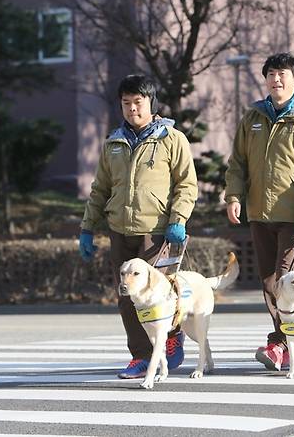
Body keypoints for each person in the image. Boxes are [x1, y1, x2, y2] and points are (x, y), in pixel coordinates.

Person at [78, 74, 198, 378]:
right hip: (119, 229)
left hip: (156, 230)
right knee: (128, 296)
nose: (132, 108)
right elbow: (100, 189)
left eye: (138, 102)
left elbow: (187, 185)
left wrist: (178, 219)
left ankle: (171, 337)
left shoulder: (173, 139)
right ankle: (141, 356)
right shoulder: (113, 143)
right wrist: (88, 228)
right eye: (126, 103)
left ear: (151, 103)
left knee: (158, 294)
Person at [224, 52, 294, 371]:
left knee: (285, 279)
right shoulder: (253, 118)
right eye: (271, 74)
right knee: (269, 281)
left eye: (283, 74)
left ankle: (281, 344)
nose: (277, 79)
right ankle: (293, 341)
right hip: (259, 214)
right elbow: (237, 163)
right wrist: (234, 196)